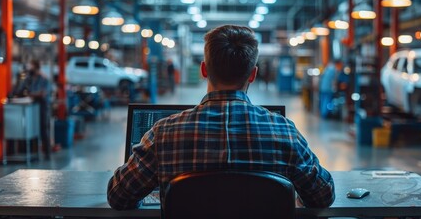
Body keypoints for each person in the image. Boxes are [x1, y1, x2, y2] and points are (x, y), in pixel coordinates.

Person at [107, 25, 335, 210]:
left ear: (204, 69)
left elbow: (119, 197)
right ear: (253, 74)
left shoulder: (163, 133)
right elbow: (323, 196)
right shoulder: (285, 132)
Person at [11, 59, 52, 159]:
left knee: (43, 128)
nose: (29, 68)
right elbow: (19, 90)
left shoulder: (44, 79)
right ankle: (31, 151)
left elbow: (43, 93)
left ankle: (47, 153)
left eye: (31, 66)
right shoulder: (28, 79)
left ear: (36, 67)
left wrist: (30, 94)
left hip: (42, 106)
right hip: (31, 106)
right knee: (29, 128)